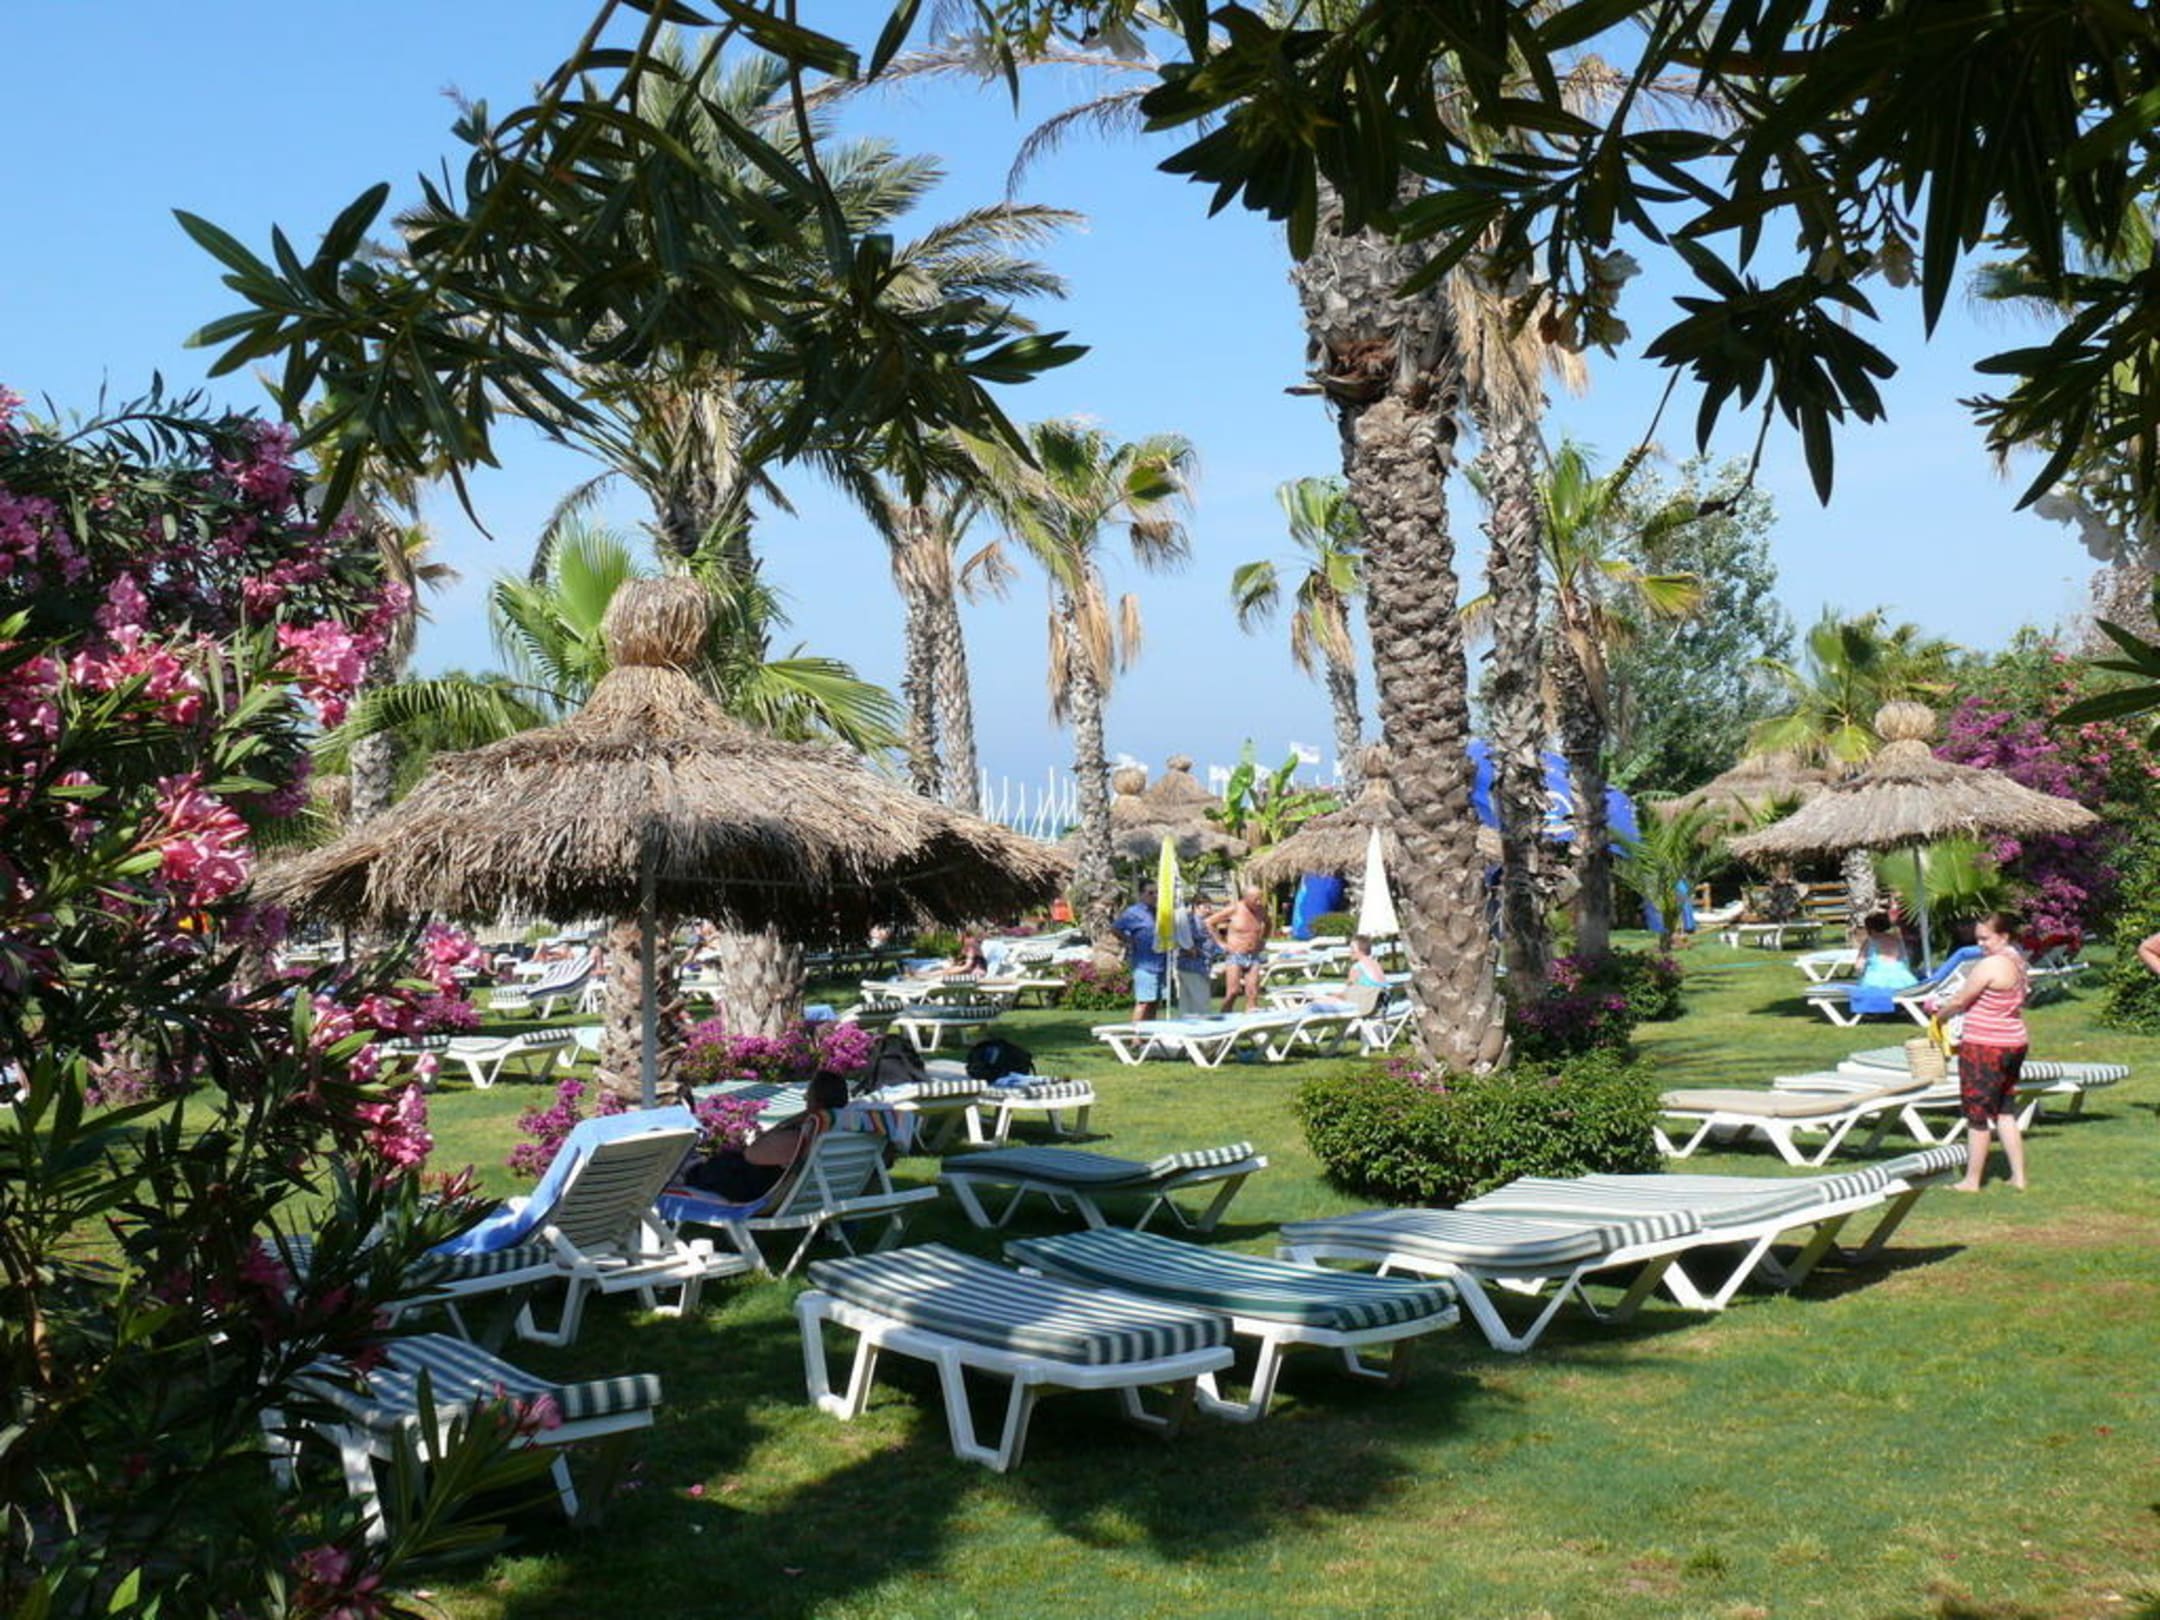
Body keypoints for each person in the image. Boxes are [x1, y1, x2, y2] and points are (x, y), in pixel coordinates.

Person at [1926, 910, 2031, 1192]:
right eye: (1978, 939)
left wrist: (1938, 1015)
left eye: (1986, 938)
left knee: (1977, 1114)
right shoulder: (2017, 960)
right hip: (2014, 1041)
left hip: (1986, 1044)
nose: (1980, 944)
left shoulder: (1991, 965)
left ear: (2003, 936)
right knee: (2005, 1110)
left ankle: (1972, 1180)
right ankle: (2018, 1177)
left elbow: (1960, 1000)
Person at [680, 1070, 850, 1204]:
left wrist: (789, 1123)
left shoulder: (807, 1133)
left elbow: (752, 1154)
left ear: (817, 1101)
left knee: (723, 1164)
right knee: (728, 1158)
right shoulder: (843, 1129)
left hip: (761, 1193)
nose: (805, 1098)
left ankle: (684, 1172)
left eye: (808, 1094)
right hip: (822, 1194)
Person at [1211, 887, 1272, 1013]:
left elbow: (1268, 924)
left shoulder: (1260, 910)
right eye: (1256, 899)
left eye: (1260, 899)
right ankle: (1224, 1017)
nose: (1259, 902)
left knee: (1253, 992)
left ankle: (1251, 1018)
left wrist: (1263, 940)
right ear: (1246, 898)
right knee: (1233, 992)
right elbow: (1209, 922)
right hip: (1236, 955)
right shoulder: (1234, 909)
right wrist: (1220, 943)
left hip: (1253, 955)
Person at [1112, 884, 1168, 1021]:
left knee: (1154, 1002)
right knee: (1143, 1002)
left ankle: (1148, 1031)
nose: (1155, 896)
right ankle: (1135, 1033)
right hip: (1144, 964)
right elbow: (1116, 928)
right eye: (1150, 893)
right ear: (1142, 894)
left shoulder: (1161, 912)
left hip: (1161, 962)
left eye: (1157, 892)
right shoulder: (1134, 912)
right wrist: (1130, 940)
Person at [1172, 898, 1219, 1015]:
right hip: (1193, 966)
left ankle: (1187, 1022)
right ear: (1196, 906)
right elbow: (1184, 939)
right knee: (1201, 1002)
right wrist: (1191, 949)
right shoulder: (1192, 921)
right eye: (1205, 907)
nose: (1208, 910)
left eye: (1209, 907)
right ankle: (1203, 1024)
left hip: (1196, 966)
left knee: (1187, 1004)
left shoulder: (1202, 921)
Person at [1853, 911, 1918, 992]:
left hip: (1876, 981)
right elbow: (1905, 961)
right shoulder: (1897, 940)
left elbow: (1859, 966)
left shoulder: (1869, 941)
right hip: (1903, 980)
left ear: (1870, 928)